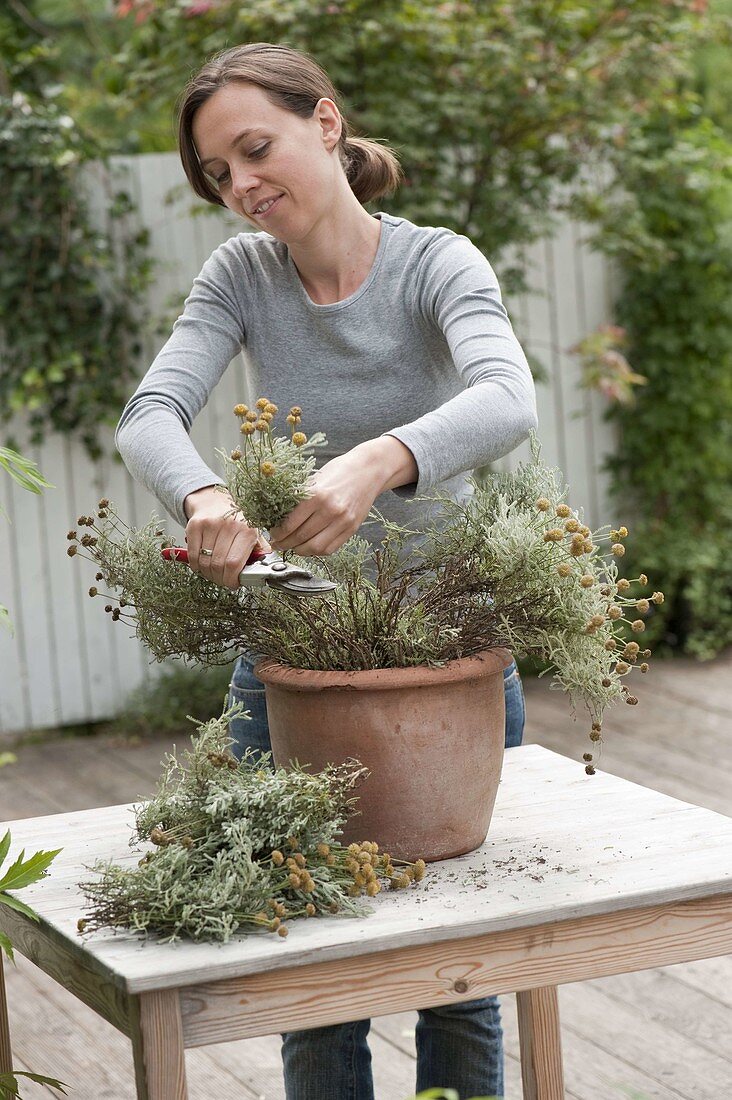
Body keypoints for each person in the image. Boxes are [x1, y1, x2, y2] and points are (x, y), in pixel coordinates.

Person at [116, 41, 537, 1100]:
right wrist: (207, 498)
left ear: (328, 125)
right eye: (219, 173)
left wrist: (380, 458)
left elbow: (507, 397)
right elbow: (148, 416)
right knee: (312, 962)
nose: (242, 185)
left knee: (458, 970)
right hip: (294, 654)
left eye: (255, 149)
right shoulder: (241, 277)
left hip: (447, 658)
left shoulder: (440, 262)